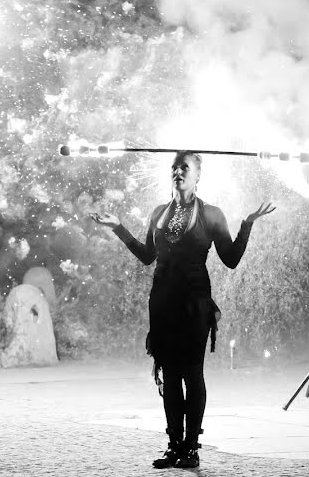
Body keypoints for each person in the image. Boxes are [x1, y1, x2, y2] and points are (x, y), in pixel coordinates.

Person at [90, 151, 275, 469]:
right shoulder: (158, 213)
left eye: (185, 167)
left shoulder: (212, 214)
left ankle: (191, 448)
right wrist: (119, 228)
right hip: (162, 303)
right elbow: (148, 256)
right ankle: (174, 446)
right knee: (171, 376)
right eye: (174, 167)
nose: (179, 171)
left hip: (194, 303)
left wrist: (246, 224)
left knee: (192, 374)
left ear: (198, 175)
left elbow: (230, 259)